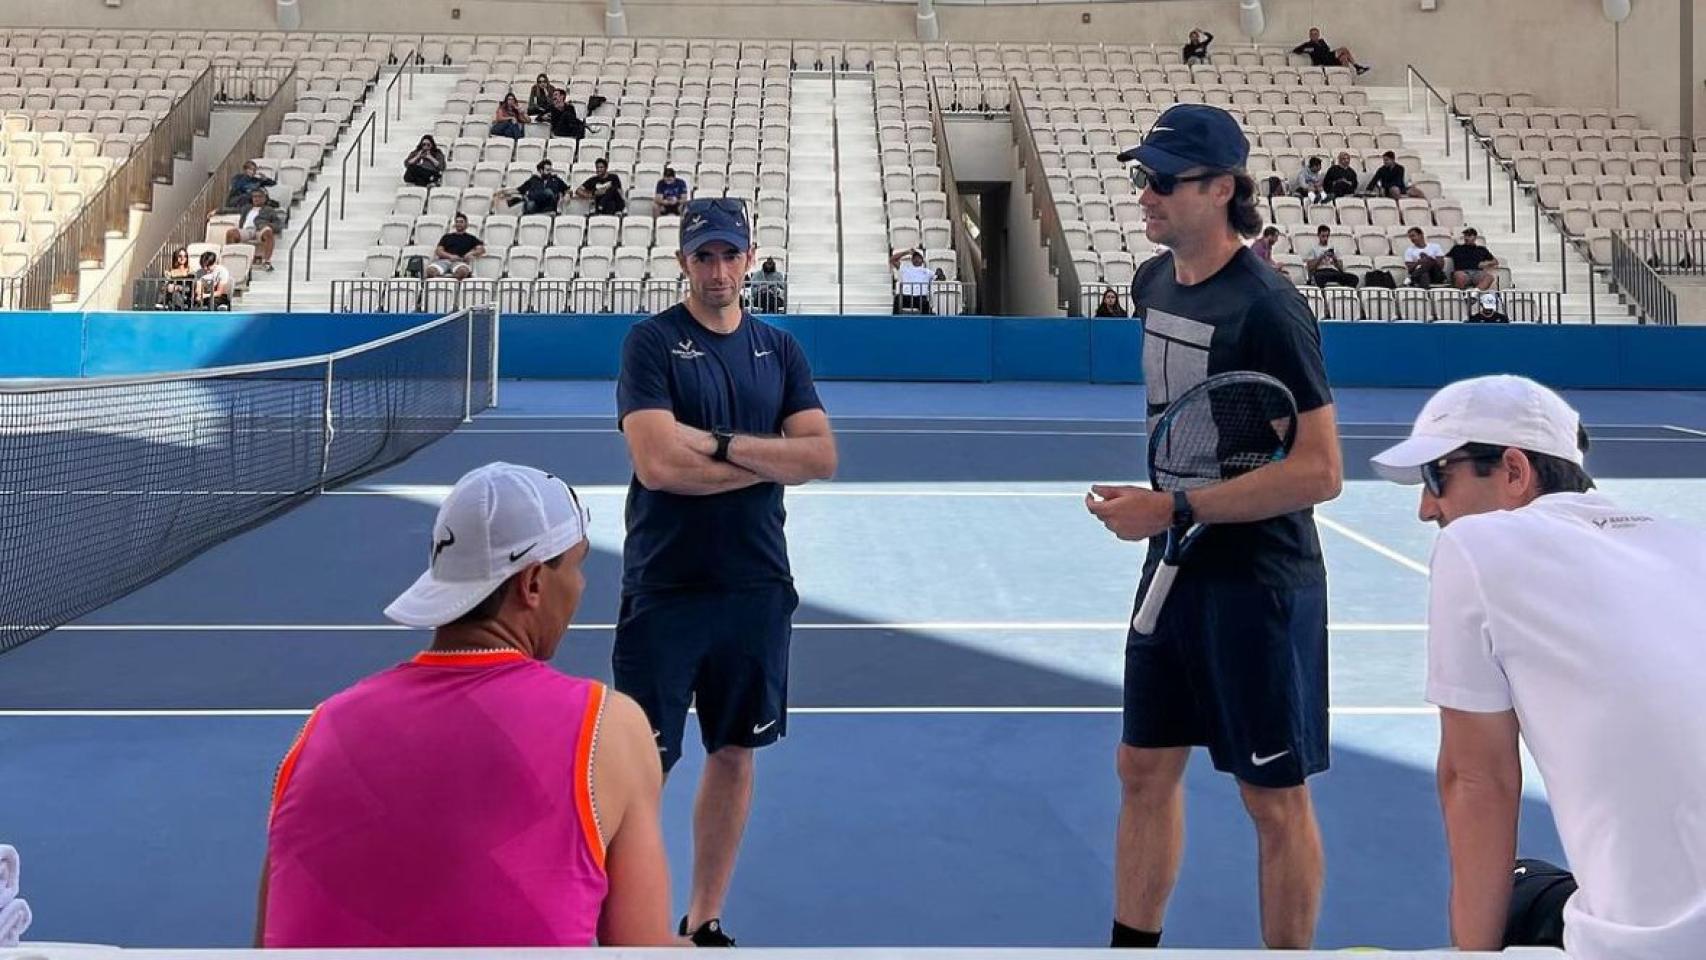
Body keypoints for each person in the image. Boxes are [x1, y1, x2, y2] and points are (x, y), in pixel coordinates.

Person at [1096, 103, 1341, 950]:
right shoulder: (1151, 282)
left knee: (1272, 799)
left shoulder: (1270, 309)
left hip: (1258, 583)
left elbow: (1320, 471)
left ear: (1221, 189)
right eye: (1142, 178)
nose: (1146, 195)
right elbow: (1198, 433)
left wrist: (1175, 506)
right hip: (1174, 561)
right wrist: (1164, 497)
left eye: (1162, 180)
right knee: (1143, 767)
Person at [257, 462, 676, 948]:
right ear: (533, 582)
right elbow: (644, 949)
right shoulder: (610, 726)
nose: (581, 586)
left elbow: (265, 943)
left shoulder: (321, 728)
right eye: (578, 565)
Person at [1368, 375, 1706, 959]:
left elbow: (1478, 781)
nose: (1427, 509)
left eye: (1435, 477)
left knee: (1519, 886)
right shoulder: (1691, 544)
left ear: (1516, 471)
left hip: (1656, 947)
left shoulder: (1475, 546)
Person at [614, 197, 837, 947]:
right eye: (703, 256)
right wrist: (763, 454)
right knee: (641, 767)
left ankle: (703, 917)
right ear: (683, 260)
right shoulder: (651, 344)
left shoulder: (781, 350)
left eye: (729, 255)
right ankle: (627, 925)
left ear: (749, 260)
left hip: (755, 586)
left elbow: (820, 457)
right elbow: (655, 463)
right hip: (665, 584)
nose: (717, 270)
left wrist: (709, 444)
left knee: (735, 751)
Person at [225, 188, 282, 271]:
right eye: (254, 196)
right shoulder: (247, 208)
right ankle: (231, 259)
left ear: (264, 198)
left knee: (268, 232)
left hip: (260, 230)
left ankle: (267, 262)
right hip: (247, 230)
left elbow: (278, 225)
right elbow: (232, 210)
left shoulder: (269, 210)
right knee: (230, 233)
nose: (256, 198)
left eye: (259, 196)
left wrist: (268, 226)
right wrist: (217, 211)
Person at [499, 159, 571, 216]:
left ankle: (524, 197)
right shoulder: (534, 180)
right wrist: (502, 192)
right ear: (541, 170)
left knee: (548, 192)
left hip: (549, 206)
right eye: (547, 170)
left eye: (550, 170)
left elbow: (567, 189)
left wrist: (567, 194)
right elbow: (519, 190)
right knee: (530, 204)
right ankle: (526, 197)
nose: (550, 172)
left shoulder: (555, 179)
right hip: (535, 206)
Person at [426, 212, 484, 280]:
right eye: (457, 222)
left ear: (466, 224)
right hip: (444, 261)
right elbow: (439, 251)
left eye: (461, 222)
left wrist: (471, 253)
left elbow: (481, 249)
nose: (459, 224)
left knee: (463, 272)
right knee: (430, 271)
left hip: (460, 262)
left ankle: (452, 286)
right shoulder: (447, 237)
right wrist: (450, 256)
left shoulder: (471, 238)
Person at [1292, 26, 1370, 75]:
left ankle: (1348, 78)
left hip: (1329, 58)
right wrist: (1308, 50)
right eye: (1312, 34)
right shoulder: (1308, 45)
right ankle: (1357, 67)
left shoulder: (1322, 41)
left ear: (1318, 35)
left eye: (1316, 34)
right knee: (1343, 49)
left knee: (1344, 57)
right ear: (1310, 35)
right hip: (1322, 61)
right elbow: (1296, 50)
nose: (1314, 36)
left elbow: (1328, 50)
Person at [1446, 227, 1501, 291]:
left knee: (1489, 278)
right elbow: (1446, 258)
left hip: (1477, 272)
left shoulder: (1481, 249)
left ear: (1475, 237)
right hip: (1462, 271)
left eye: (1469, 236)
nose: (1466, 238)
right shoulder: (1457, 248)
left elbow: (1495, 261)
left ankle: (1474, 293)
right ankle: (1461, 295)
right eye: (1465, 236)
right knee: (1460, 276)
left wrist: (1486, 263)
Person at [890, 247, 935, 314]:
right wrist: (906, 252)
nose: (916, 259)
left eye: (918, 257)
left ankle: (926, 323)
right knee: (897, 298)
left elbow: (939, 278)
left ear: (922, 260)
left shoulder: (928, 272)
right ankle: (895, 322)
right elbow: (892, 260)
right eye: (914, 257)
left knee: (926, 304)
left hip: (920, 297)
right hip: (906, 297)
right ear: (912, 260)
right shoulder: (905, 269)